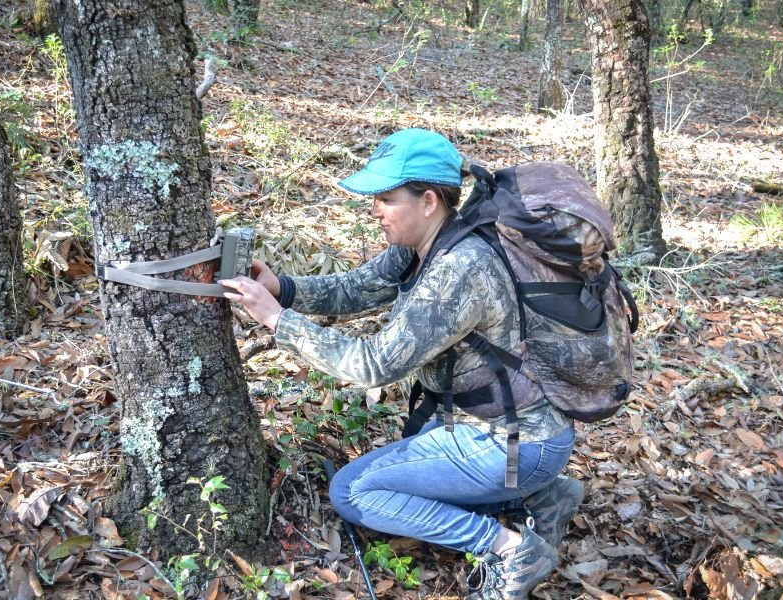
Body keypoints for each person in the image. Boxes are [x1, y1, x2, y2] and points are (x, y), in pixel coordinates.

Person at [219, 128, 584, 600]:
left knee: (354, 493)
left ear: (428, 200)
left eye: (386, 198)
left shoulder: (460, 269)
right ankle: (543, 496)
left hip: (516, 443)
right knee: (397, 471)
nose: (374, 210)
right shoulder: (422, 247)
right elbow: (356, 288)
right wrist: (282, 290)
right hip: (509, 435)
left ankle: (511, 549)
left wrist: (277, 322)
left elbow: (373, 365)